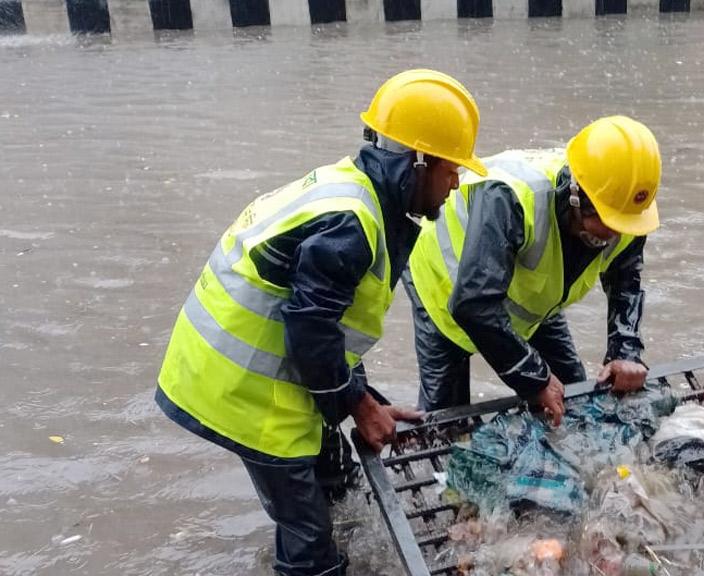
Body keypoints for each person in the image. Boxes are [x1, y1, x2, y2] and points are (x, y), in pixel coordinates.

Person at [154, 69, 486, 576]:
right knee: (309, 542)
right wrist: (355, 403)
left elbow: (325, 326)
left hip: (262, 374)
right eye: (450, 169)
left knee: (336, 484)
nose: (457, 182)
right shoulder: (352, 221)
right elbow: (309, 327)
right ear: (417, 164)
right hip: (241, 390)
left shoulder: (358, 192)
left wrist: (364, 398)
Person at [404, 115, 662, 426]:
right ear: (577, 194)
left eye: (622, 225)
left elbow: (625, 280)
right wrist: (534, 378)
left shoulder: (627, 209)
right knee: (447, 418)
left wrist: (625, 350)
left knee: (574, 399)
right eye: (606, 223)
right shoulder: (511, 197)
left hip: (534, 297)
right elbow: (474, 304)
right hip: (444, 283)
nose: (614, 235)